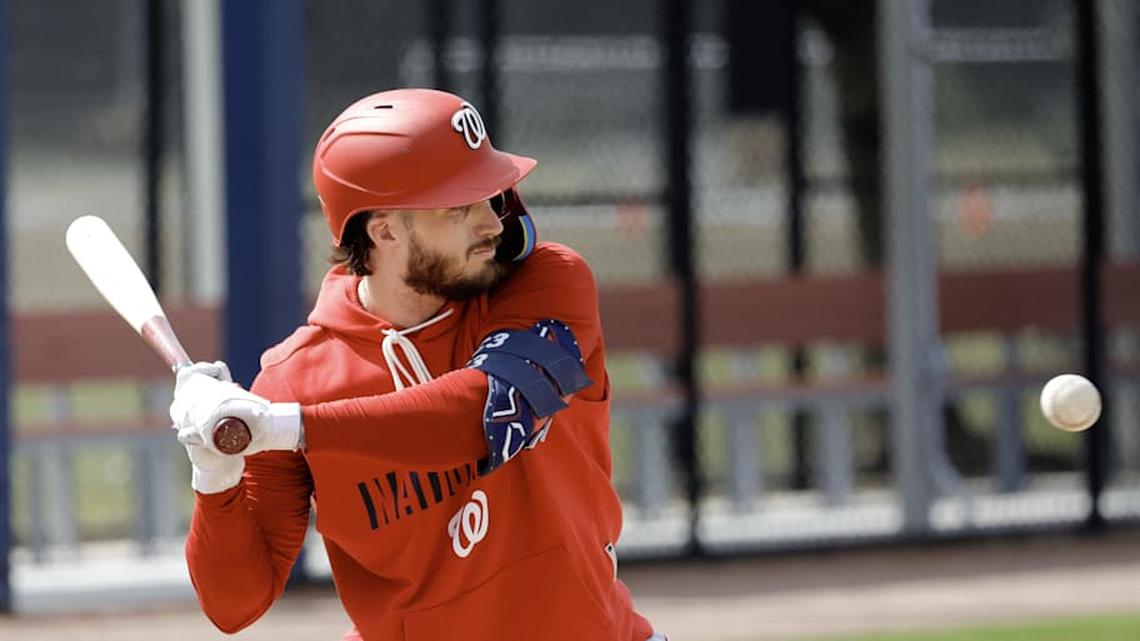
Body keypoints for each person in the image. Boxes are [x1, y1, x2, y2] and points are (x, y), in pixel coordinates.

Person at [168, 88, 661, 641]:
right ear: (384, 232)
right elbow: (235, 604)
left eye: (492, 197)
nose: (493, 224)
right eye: (460, 207)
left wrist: (290, 426)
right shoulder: (296, 379)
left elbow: (488, 413)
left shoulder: (546, 285)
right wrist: (214, 469)